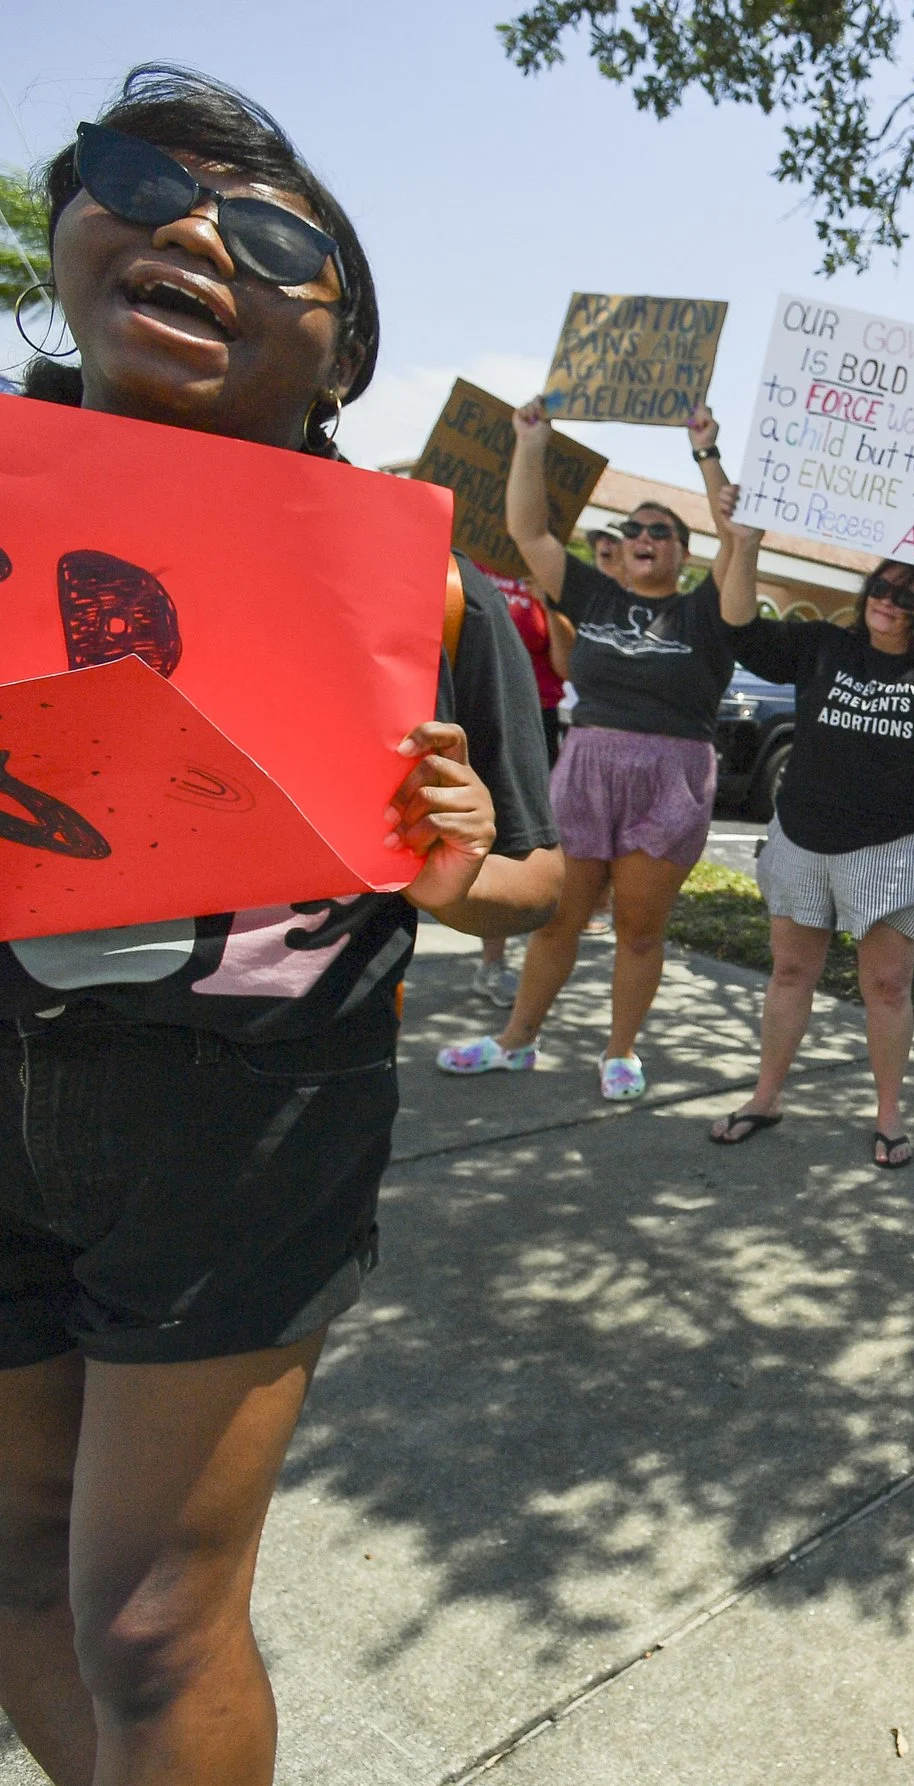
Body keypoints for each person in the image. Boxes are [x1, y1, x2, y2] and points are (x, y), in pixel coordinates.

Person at [0, 68, 561, 1784]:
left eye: (262, 236)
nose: (187, 231)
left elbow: (543, 885)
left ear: (341, 362)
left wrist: (459, 864)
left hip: (250, 1123)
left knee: (151, 1620)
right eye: (134, 180)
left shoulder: (427, 591)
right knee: (16, 1559)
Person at [701, 490, 914, 1162]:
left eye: (909, 595)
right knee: (789, 972)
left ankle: (890, 1116)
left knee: (886, 986)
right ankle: (764, 1096)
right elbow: (743, 631)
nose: (888, 599)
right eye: (882, 585)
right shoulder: (825, 647)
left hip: (895, 849)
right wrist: (744, 545)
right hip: (804, 836)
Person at [434, 406, 737, 1101]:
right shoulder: (595, 595)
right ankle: (516, 1041)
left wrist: (706, 454)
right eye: (633, 528)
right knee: (557, 916)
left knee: (637, 927)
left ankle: (621, 1050)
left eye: (660, 531)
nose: (642, 538)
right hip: (588, 770)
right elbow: (528, 531)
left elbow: (737, 546)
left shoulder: (707, 610)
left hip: (672, 776)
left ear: (682, 553)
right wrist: (530, 442)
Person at [469, 566, 573, 1003]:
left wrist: (549, 604)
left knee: (519, 838)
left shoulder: (545, 579)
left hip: (534, 719)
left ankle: (505, 964)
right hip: (474, 708)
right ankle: (488, 961)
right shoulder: (472, 564)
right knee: (470, 834)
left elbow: (566, 666)